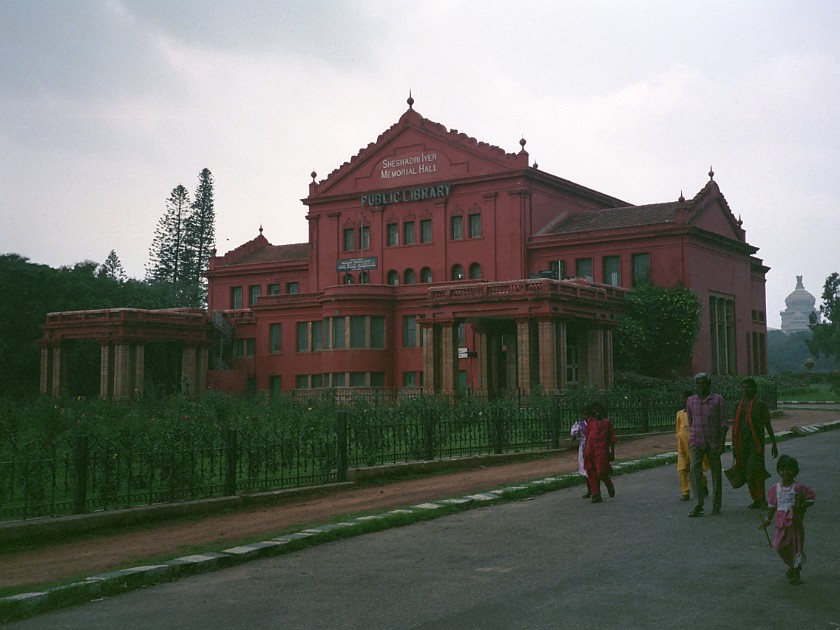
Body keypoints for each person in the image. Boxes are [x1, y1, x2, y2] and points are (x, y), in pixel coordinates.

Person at [760, 455, 816, 585]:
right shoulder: (775, 488)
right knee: (779, 546)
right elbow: (773, 506)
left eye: (790, 469)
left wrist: (801, 506)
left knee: (796, 548)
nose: (786, 472)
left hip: (795, 524)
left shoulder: (799, 487)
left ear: (795, 471)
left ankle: (796, 573)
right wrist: (768, 520)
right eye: (783, 469)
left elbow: (811, 499)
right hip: (781, 524)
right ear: (778, 471)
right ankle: (791, 565)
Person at [731, 378, 778, 508]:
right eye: (743, 387)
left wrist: (774, 443)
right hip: (742, 443)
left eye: (748, 387)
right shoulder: (738, 405)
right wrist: (734, 446)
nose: (745, 390)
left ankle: (762, 498)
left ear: (754, 388)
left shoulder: (760, 404)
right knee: (747, 471)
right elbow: (735, 427)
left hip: (756, 443)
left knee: (755, 470)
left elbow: (767, 424)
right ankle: (756, 499)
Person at [686, 372, 727, 517]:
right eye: (699, 383)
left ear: (709, 384)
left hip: (713, 441)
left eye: (704, 383)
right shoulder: (691, 400)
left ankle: (716, 505)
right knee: (694, 470)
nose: (701, 386)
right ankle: (699, 504)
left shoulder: (718, 400)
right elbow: (690, 421)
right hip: (696, 440)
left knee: (716, 472)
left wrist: (721, 444)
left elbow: (723, 424)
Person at [676, 390, 709, 501]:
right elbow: (678, 431)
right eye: (680, 398)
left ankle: (703, 485)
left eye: (684, 398)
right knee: (682, 468)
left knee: (695, 468)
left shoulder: (696, 413)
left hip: (694, 444)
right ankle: (685, 492)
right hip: (682, 447)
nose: (682, 400)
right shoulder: (679, 414)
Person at [583, 402, 616, 504]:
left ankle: (608, 482)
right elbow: (587, 436)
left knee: (601, 472)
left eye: (598, 410)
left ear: (602, 410)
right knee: (591, 472)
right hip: (590, 450)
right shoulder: (590, 421)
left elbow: (612, 439)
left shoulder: (607, 422)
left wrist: (612, 453)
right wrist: (585, 451)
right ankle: (596, 494)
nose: (597, 412)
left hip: (602, 451)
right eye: (594, 410)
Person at [571, 405, 591, 498]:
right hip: (583, 446)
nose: (586, 416)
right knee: (584, 468)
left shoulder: (594, 423)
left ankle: (594, 489)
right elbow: (574, 433)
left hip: (592, 445)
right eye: (584, 414)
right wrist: (574, 436)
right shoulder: (580, 424)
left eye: (588, 414)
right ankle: (589, 489)